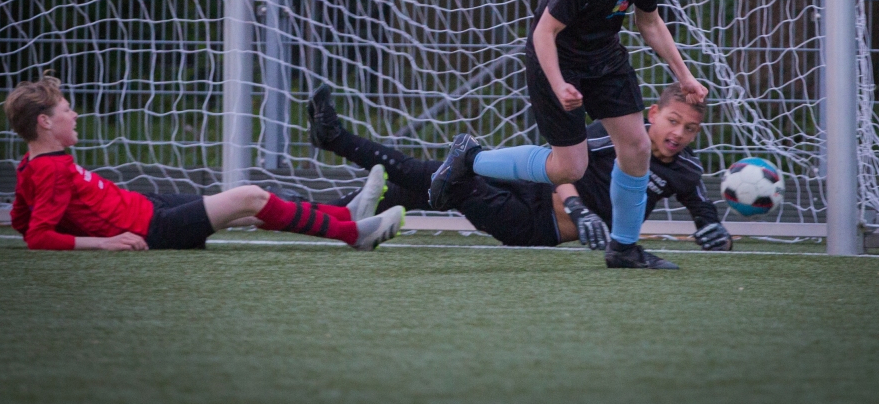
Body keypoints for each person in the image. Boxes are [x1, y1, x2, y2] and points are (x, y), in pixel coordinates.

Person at [430, 0, 709, 269]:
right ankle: (471, 157)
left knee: (637, 148)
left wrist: (685, 77)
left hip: (604, 57)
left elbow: (648, 21)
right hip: (557, 59)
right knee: (569, 168)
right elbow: (544, 32)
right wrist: (559, 83)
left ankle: (623, 249)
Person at [309, 82, 732, 257]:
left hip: (532, 225)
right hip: (533, 187)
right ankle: (318, 211)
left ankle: (335, 140)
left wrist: (716, 235)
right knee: (416, 184)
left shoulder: (685, 170)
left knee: (439, 180)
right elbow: (563, 165)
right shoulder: (620, 134)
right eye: (673, 121)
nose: (678, 133)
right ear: (654, 114)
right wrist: (580, 209)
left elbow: (706, 217)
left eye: (689, 129)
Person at [4, 75, 404, 251]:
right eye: (66, 110)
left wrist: (83, 225)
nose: (74, 115)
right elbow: (39, 237)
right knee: (249, 197)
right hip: (154, 229)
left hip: (148, 207)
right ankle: (352, 234)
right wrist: (104, 242)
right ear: (45, 122)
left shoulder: (32, 164)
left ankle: (344, 213)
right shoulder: (49, 169)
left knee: (250, 207)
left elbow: (22, 222)